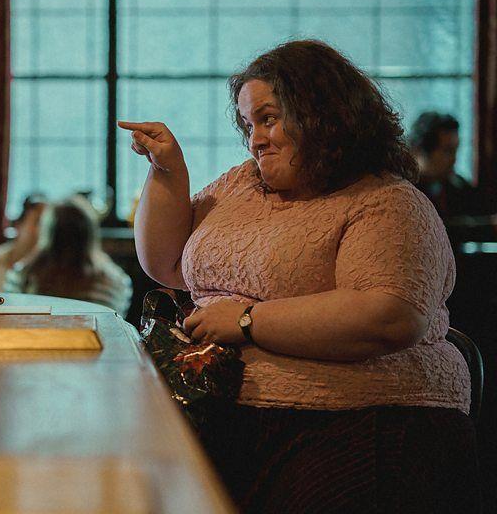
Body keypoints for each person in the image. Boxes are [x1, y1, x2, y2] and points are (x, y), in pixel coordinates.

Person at [122, 40, 479, 512]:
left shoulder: (387, 202)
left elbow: (389, 315)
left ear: (325, 116)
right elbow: (166, 264)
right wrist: (167, 172)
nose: (255, 139)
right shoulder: (241, 183)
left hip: (361, 421)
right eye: (249, 124)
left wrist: (247, 320)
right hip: (224, 408)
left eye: (268, 119)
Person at [4, 195, 132, 317]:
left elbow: (15, 318)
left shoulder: (22, 276)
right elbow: (114, 325)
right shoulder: (115, 282)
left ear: (47, 233)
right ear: (90, 234)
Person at [409, 111, 492, 219]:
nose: (454, 159)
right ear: (419, 150)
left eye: (456, 150)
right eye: (447, 151)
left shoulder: (461, 188)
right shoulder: (406, 192)